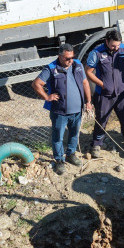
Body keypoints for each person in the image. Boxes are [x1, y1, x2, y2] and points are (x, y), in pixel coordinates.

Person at [32, 43, 92, 175]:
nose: (70, 61)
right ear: (59, 56)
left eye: (72, 57)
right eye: (67, 58)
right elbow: (36, 84)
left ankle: (71, 154)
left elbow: (85, 83)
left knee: (74, 134)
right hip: (60, 112)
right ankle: (59, 160)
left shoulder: (77, 65)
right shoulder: (51, 69)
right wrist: (47, 97)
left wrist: (88, 101)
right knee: (58, 137)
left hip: (77, 111)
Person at [86, 30, 124, 158]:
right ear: (106, 42)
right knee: (101, 120)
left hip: (121, 94)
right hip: (103, 95)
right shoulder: (96, 53)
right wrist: (102, 85)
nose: (116, 48)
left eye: (118, 45)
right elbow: (88, 72)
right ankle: (97, 144)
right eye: (113, 45)